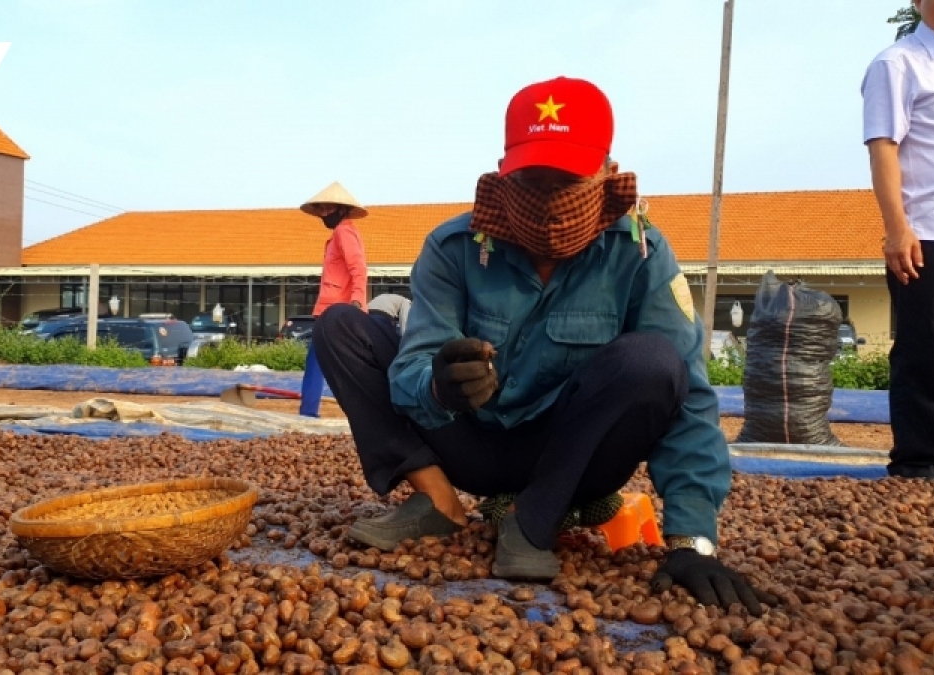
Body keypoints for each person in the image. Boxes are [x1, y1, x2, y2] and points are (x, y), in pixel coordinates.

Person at [312, 77, 773, 613]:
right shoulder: (453, 246)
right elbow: (412, 365)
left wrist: (693, 541)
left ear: (605, 172)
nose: (551, 200)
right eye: (533, 178)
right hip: (470, 447)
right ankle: (436, 498)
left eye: (569, 179)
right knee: (339, 327)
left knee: (653, 360)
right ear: (504, 173)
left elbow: (688, 396)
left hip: (575, 459)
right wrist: (439, 385)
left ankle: (535, 520)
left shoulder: (640, 252)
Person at [862, 0, 934, 484]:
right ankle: (915, 466)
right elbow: (883, 144)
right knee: (924, 352)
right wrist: (897, 228)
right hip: (930, 232)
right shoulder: (898, 63)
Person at [299, 182, 368, 418]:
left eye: (328, 209)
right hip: (334, 308)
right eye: (322, 209)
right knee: (331, 362)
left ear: (341, 209)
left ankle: (309, 412)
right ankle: (361, 412)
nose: (324, 214)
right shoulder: (340, 234)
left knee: (319, 361)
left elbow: (358, 268)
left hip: (337, 310)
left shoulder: (344, 232)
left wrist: (357, 301)